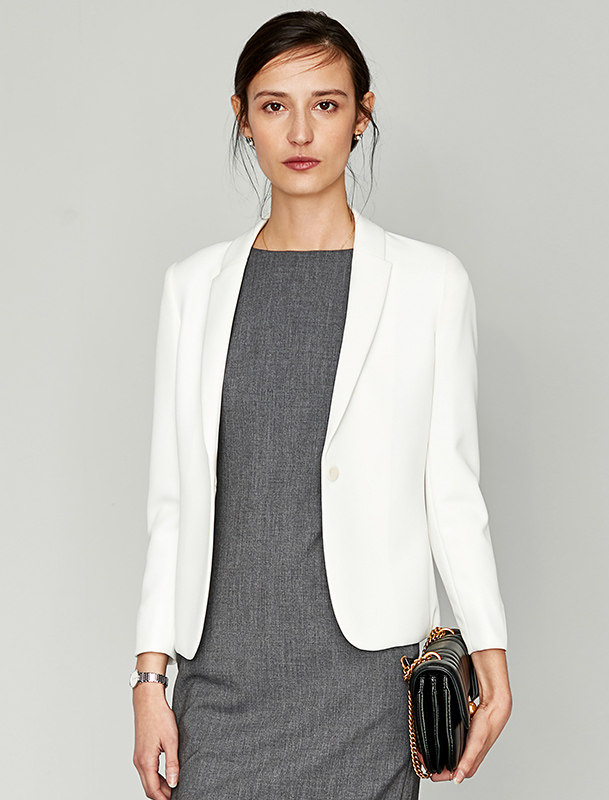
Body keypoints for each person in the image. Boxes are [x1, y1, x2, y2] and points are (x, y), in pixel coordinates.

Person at [131, 10, 512, 800]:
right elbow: (174, 502)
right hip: (221, 679)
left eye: (327, 104)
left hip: (367, 683)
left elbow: (451, 490)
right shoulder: (191, 289)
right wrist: (149, 677)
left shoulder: (430, 284)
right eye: (274, 105)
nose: (300, 131)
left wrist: (490, 652)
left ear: (361, 114)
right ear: (242, 117)